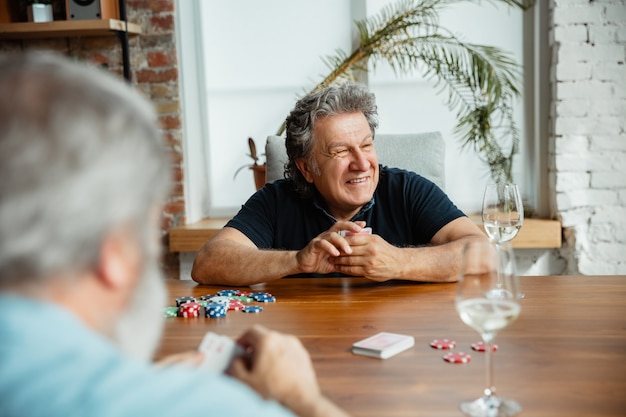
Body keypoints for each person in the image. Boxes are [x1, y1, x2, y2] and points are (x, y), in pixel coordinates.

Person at [0, 52, 349, 417]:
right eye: (146, 236)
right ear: (114, 253)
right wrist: (300, 399)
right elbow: (209, 262)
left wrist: (144, 381)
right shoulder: (208, 407)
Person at [192, 82, 488, 286]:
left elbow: (485, 253)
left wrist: (398, 261)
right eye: (341, 151)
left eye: (366, 145)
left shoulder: (408, 190)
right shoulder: (276, 200)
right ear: (307, 168)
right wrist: (297, 261)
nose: (361, 163)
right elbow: (207, 263)